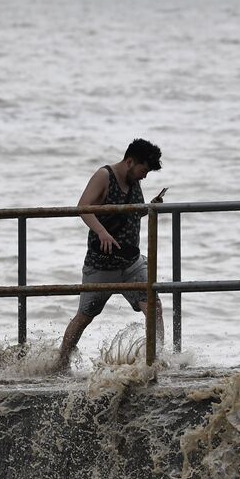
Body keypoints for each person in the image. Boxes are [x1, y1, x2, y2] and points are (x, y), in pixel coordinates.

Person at [55, 139, 166, 370]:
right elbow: (83, 207)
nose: (145, 176)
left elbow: (130, 215)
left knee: (154, 305)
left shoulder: (134, 181)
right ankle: (61, 362)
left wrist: (151, 207)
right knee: (84, 317)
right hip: (101, 264)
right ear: (129, 161)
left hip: (132, 262)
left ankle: (156, 361)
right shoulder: (104, 176)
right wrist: (102, 233)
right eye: (144, 170)